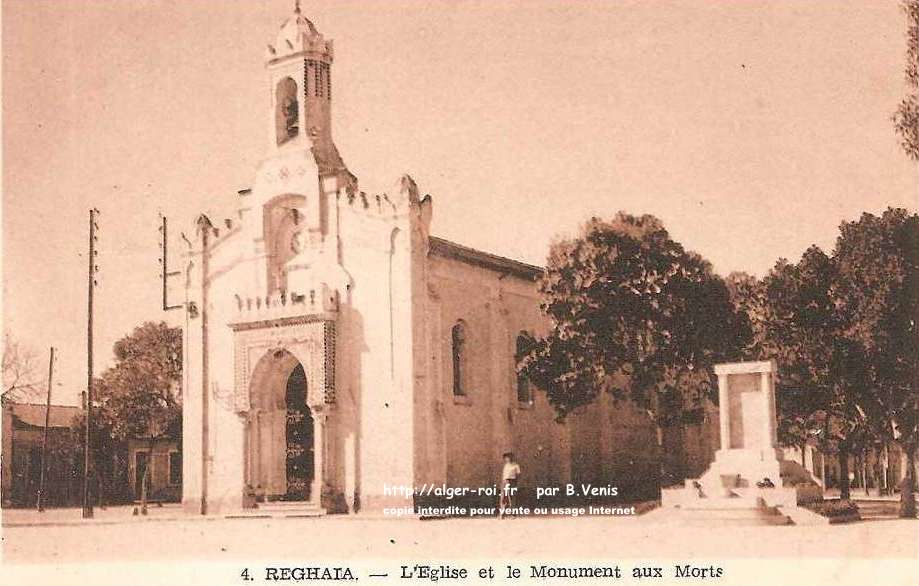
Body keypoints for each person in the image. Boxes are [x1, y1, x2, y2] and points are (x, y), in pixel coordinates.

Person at [499, 452, 521, 518]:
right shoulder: (506, 465)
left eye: (509, 457)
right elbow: (504, 475)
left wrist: (515, 482)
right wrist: (503, 482)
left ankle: (512, 514)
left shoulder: (516, 465)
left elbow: (518, 474)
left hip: (512, 481)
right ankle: (502, 513)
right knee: (503, 497)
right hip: (505, 482)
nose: (508, 459)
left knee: (511, 497)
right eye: (507, 457)